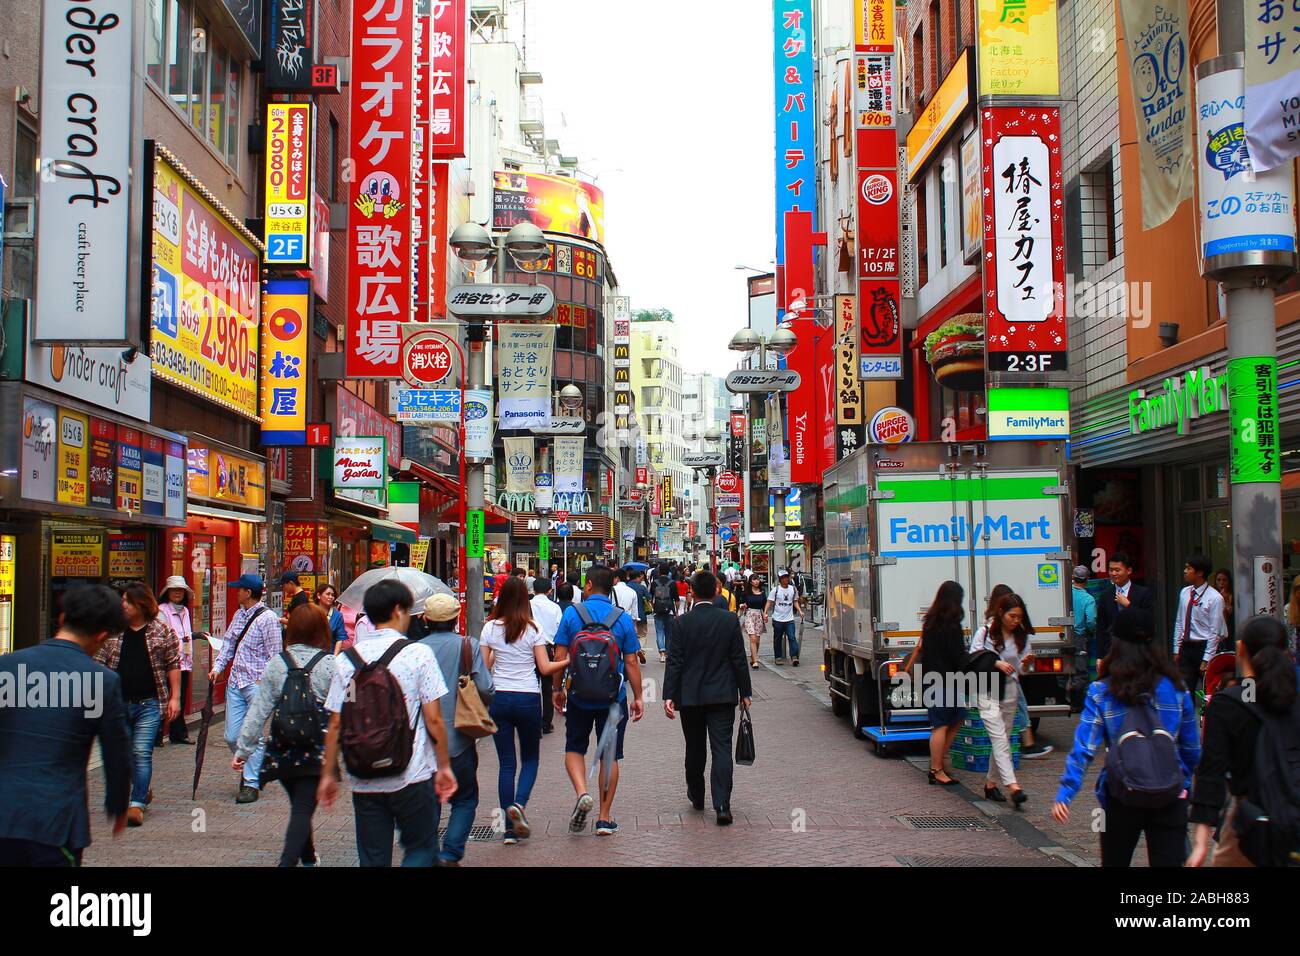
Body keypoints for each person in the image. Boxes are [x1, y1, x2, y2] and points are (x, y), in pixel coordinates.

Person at [318, 580, 457, 867]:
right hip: (413, 772)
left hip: (364, 776)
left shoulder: (348, 661)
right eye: (407, 611)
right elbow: (433, 719)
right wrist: (443, 766)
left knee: (372, 857)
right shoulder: (417, 654)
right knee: (421, 849)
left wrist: (329, 773)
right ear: (397, 611)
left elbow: (335, 723)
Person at [1053, 609, 1201, 867]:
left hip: (1120, 794)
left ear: (1116, 643)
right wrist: (1182, 782)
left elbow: (1084, 748)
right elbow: (1191, 749)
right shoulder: (1177, 689)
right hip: (1169, 795)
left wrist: (1066, 792)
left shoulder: (1102, 690)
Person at [0, 586, 131, 865]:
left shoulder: (7, 666)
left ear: (61, 619)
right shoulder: (100, 680)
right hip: (55, 823)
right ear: (101, 636)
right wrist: (118, 805)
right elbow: (117, 754)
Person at [1188, 615, 1300, 867]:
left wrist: (1201, 842)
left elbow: (1211, 773)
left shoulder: (1230, 703)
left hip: (1250, 823)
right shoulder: (1293, 702)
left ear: (1240, 650)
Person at [232, 604, 336, 866]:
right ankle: (287, 862)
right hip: (317, 749)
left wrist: (243, 749)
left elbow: (259, 710)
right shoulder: (330, 665)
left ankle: (309, 857)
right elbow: (345, 710)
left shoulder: (278, 663)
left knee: (301, 806)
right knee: (303, 809)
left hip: (283, 749)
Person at [552, 566, 644, 836]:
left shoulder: (572, 613)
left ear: (589, 585)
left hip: (579, 695)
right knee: (609, 755)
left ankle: (582, 793)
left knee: (574, 748)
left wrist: (557, 689)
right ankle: (604, 819)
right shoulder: (622, 619)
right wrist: (638, 696)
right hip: (614, 698)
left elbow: (559, 656)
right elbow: (631, 662)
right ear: (611, 588)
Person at [481, 577, 566, 844]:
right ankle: (519, 804)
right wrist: (567, 660)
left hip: (500, 699)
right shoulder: (533, 629)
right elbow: (544, 668)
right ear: (525, 600)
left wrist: (496, 656)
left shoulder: (490, 629)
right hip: (528, 698)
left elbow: (483, 669)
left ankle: (508, 830)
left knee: (506, 763)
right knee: (530, 759)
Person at [664, 571, 753, 825]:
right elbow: (738, 660)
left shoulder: (681, 623)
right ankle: (723, 805)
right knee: (721, 748)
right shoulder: (728, 621)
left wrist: (669, 695)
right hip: (722, 694)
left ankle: (697, 795)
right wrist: (745, 692)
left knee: (694, 747)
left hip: (690, 695)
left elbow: (675, 662)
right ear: (716, 590)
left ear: (691, 591)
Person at [95, 582, 181, 826]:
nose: (123, 605)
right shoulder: (113, 631)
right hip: (117, 704)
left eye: (128, 601)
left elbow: (173, 664)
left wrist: (175, 697)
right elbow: (99, 663)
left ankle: (136, 804)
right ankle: (142, 789)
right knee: (122, 755)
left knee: (141, 752)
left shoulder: (161, 631)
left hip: (149, 703)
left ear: (141, 605)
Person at [419, 593, 495, 866]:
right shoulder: (467, 645)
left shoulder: (415, 649)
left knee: (429, 800)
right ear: (456, 619)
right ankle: (450, 852)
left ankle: (426, 852)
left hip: (424, 741)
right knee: (464, 798)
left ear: (425, 619)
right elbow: (485, 688)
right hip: (459, 737)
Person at [210, 574, 281, 804]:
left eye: (239, 589)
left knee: (254, 736)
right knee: (232, 735)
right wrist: (217, 667)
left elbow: (275, 654)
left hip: (256, 685)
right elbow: (229, 643)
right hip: (235, 682)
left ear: (248, 593)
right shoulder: (238, 615)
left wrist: (265, 682)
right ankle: (250, 765)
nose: (236, 592)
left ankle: (251, 783)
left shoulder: (268, 618)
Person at [968, 593, 1033, 806]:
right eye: (1012, 616)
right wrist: (996, 663)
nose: (1016, 621)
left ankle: (990, 784)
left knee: (1002, 738)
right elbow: (974, 656)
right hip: (987, 687)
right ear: (1001, 613)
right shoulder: (985, 632)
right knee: (998, 737)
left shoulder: (1021, 637)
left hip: (1010, 688)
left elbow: (1022, 670)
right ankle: (1013, 785)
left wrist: (1027, 663)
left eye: (1019, 617)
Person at [919, 581, 967, 787]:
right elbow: (957, 656)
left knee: (952, 719)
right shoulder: (952, 626)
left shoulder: (930, 623)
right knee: (943, 724)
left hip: (932, 679)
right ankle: (936, 768)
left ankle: (939, 761)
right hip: (947, 680)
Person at [1173, 553, 1227, 699]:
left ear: (1200, 573)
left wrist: (1206, 659)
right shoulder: (1185, 592)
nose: (1185, 571)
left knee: (1208, 692)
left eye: (1189, 568)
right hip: (1186, 648)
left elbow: (1215, 632)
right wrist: (1176, 649)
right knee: (1184, 692)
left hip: (1204, 647)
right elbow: (1179, 621)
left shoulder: (1215, 598)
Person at [158, 575, 196, 744]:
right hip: (169, 663)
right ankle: (157, 734)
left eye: (180, 590)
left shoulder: (185, 611)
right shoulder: (162, 611)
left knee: (179, 697)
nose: (177, 593)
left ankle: (178, 733)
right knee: (166, 697)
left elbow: (185, 633)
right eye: (174, 590)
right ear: (168, 592)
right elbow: (162, 636)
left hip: (185, 662)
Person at [1096, 552, 1154, 660]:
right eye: (1110, 570)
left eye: (1117, 570)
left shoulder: (1143, 593)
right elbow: (1101, 628)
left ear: (1129, 571)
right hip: (1112, 651)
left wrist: (1128, 605)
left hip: (1136, 650)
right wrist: (1100, 657)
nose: (1113, 573)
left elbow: (1148, 621)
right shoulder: (1105, 595)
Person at [530, 577, 563, 734]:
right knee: (547, 687)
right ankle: (546, 722)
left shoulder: (527, 605)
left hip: (529, 651)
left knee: (531, 686)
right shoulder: (554, 607)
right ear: (550, 590)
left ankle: (533, 721)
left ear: (533, 590)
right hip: (548, 650)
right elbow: (559, 630)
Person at [765, 569, 802, 665]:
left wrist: (800, 611)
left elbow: (795, 601)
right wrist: (765, 613)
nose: (786, 579)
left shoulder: (793, 589)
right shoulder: (775, 590)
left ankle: (794, 657)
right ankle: (778, 657)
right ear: (780, 580)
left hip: (789, 618)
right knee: (777, 638)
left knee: (792, 637)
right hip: (777, 619)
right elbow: (769, 602)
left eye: (787, 577)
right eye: (783, 578)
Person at [611, 569, 645, 664]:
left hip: (613, 622)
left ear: (617, 578)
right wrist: (634, 627)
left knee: (615, 648)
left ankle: (617, 667)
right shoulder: (632, 592)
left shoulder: (611, 591)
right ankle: (636, 651)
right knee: (628, 651)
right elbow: (634, 613)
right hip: (627, 622)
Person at [740, 574, 766, 669]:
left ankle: (753, 656)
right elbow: (742, 603)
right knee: (753, 638)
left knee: (757, 640)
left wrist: (765, 614)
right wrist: (742, 606)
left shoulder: (762, 592)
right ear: (750, 581)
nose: (756, 581)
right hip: (749, 615)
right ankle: (755, 661)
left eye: (758, 579)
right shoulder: (746, 592)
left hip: (759, 615)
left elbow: (764, 605)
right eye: (754, 580)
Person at [650, 572, 677, 664]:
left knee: (659, 631)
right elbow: (676, 599)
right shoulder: (672, 583)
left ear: (659, 572)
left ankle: (662, 653)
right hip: (669, 610)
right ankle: (667, 653)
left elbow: (651, 597)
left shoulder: (655, 582)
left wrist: (653, 606)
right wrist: (676, 611)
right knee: (669, 632)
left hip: (657, 610)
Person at [316, 582, 347, 650]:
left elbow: (340, 639)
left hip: (330, 654)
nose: (331, 597)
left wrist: (334, 658)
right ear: (319, 595)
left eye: (333, 595)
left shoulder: (337, 616)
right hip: (312, 655)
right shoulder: (311, 612)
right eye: (328, 594)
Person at [1213, 568, 1235, 644]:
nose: (1221, 583)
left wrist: (1226, 601)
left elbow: (1231, 613)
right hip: (1216, 633)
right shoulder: (1212, 596)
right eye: (1218, 580)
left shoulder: (1234, 596)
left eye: (1224, 580)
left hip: (1231, 633)